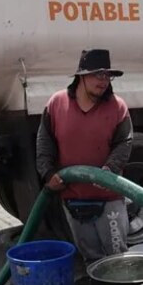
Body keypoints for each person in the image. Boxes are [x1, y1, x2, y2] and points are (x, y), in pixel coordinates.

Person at [36, 49, 133, 261]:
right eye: (98, 74)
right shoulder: (56, 104)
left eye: (108, 75)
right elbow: (45, 144)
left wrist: (109, 171)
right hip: (73, 199)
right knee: (91, 259)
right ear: (81, 76)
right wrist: (48, 174)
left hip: (109, 199)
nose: (104, 80)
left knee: (118, 258)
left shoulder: (117, 106)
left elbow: (123, 143)